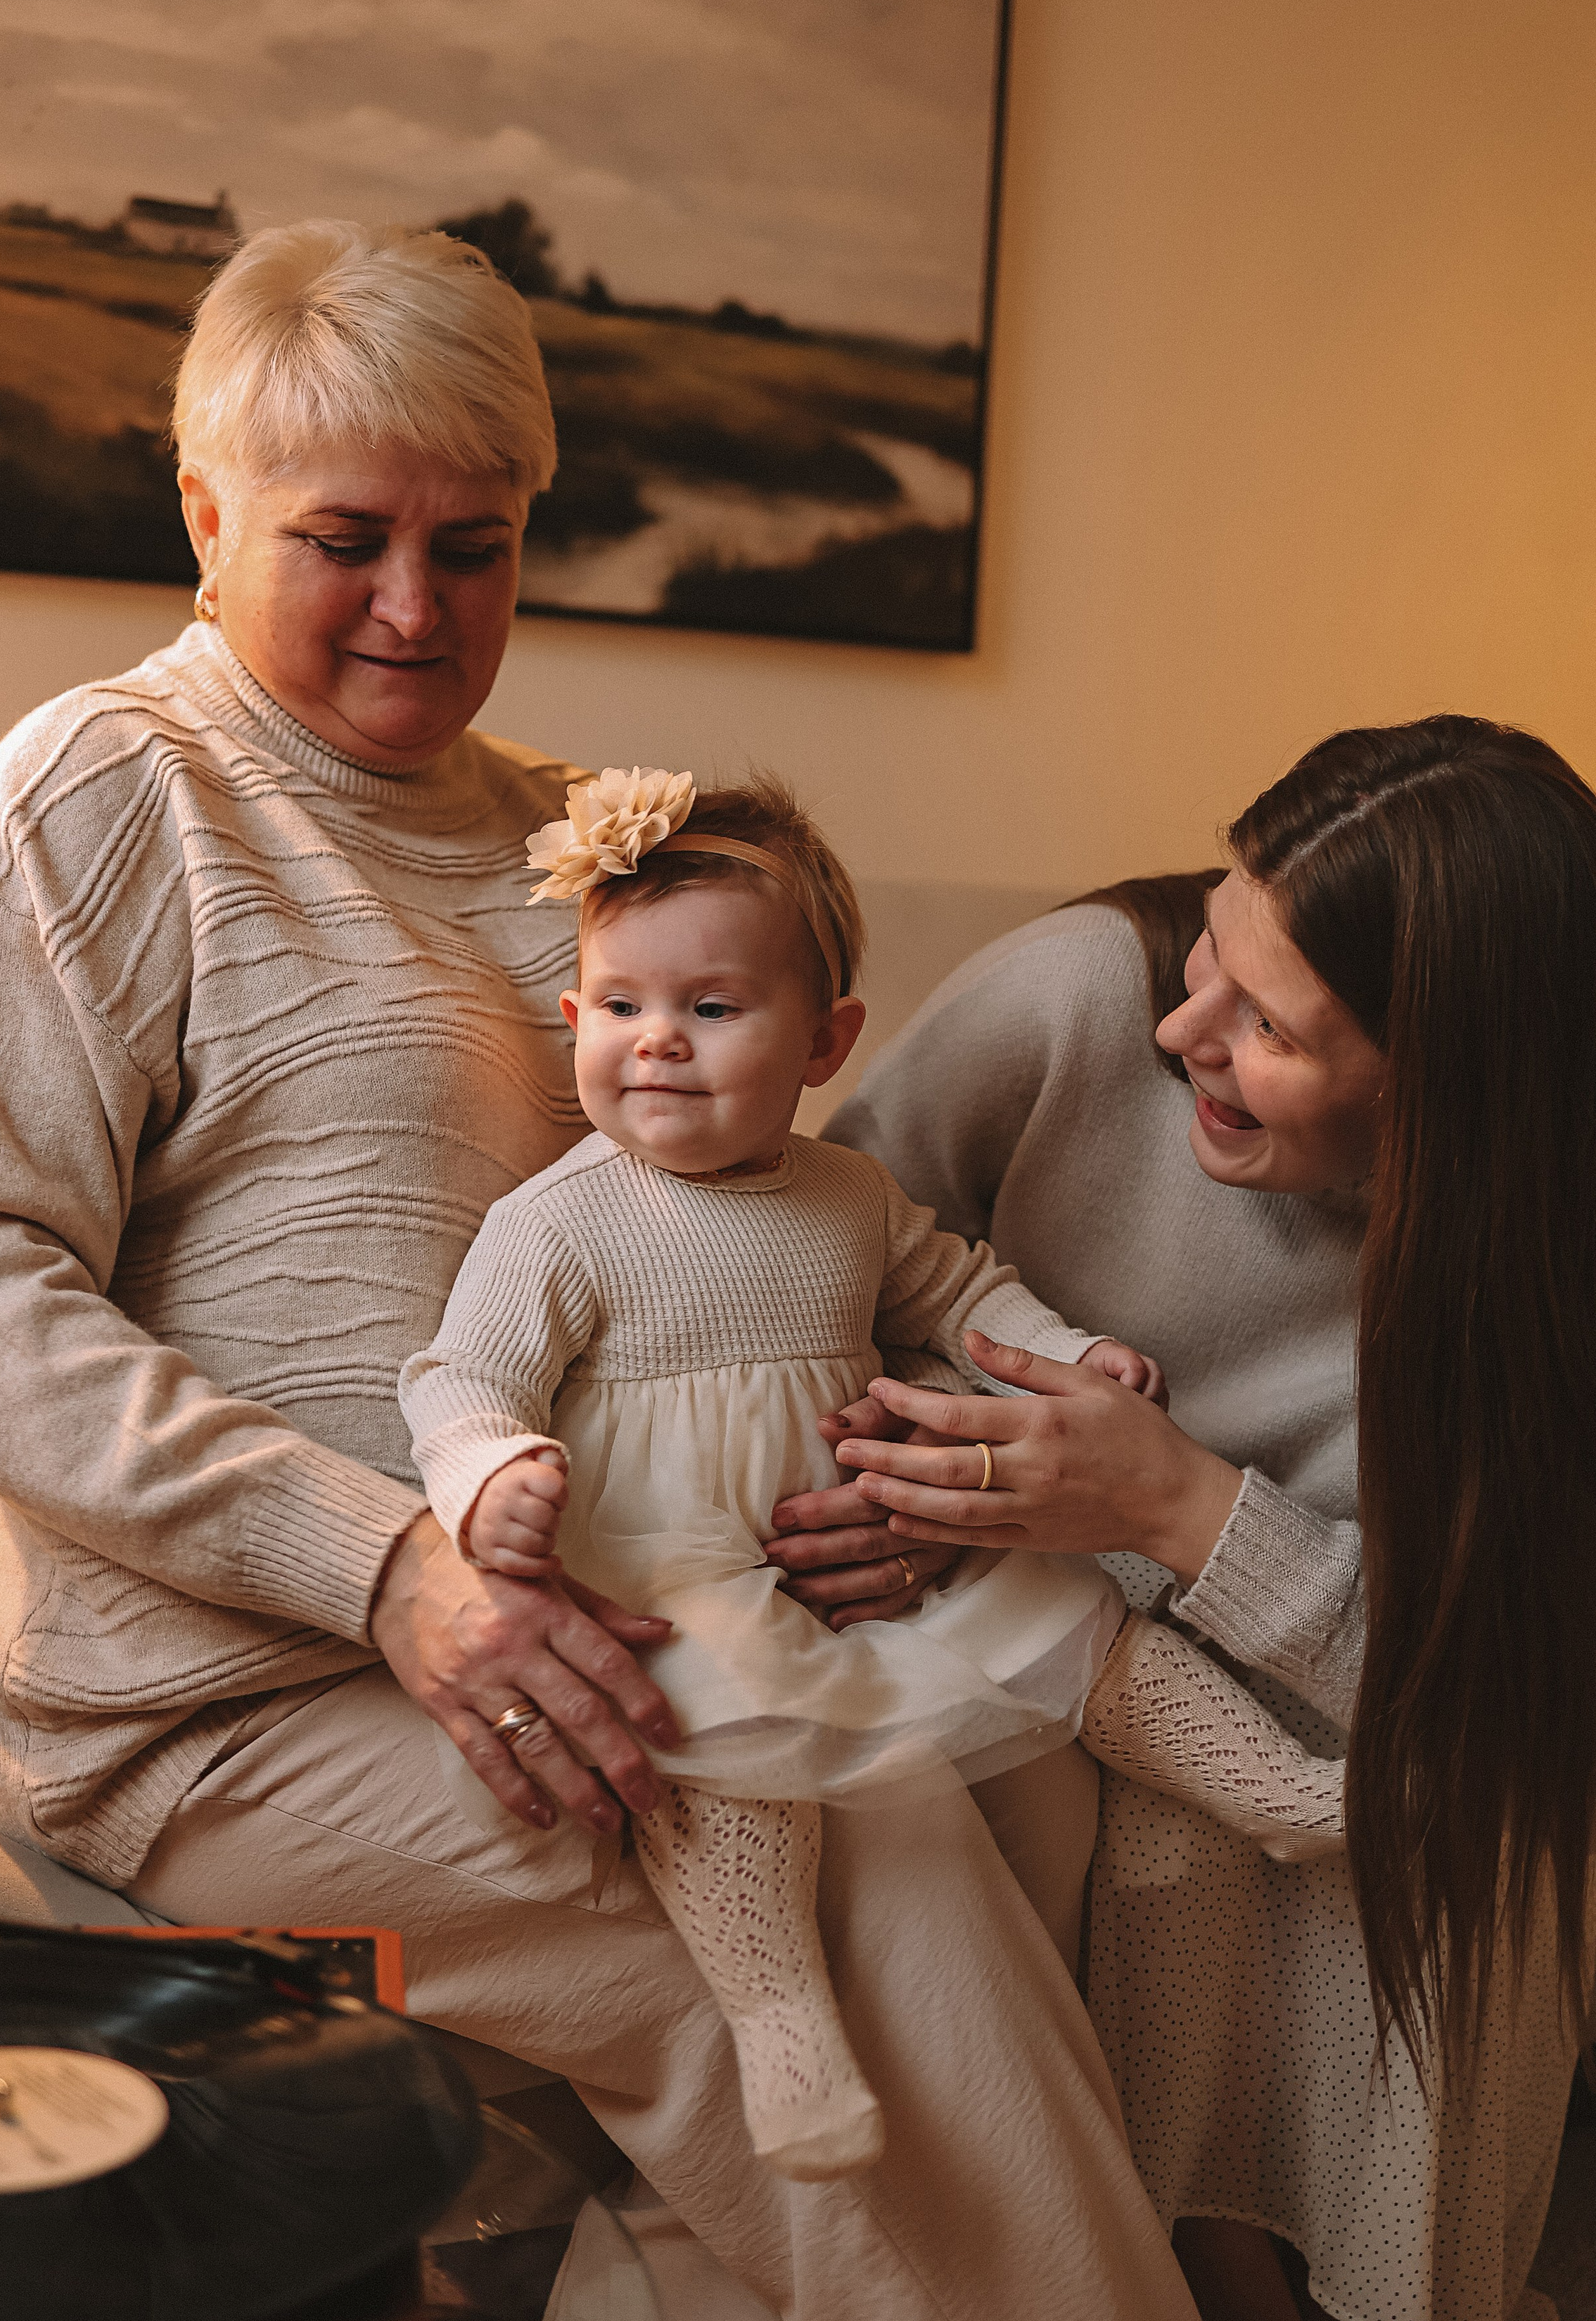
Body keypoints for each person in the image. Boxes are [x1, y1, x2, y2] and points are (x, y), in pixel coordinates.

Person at [0, 216, 1278, 2321]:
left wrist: (853, 1489)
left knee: (1039, 1771)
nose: (415, 606)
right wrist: (395, 1572)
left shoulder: (586, 845)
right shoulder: (93, 806)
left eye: (478, 545)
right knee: (859, 1842)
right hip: (213, 1691)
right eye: (344, 542)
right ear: (206, 517)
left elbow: (751, 1227)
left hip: (604, 1594)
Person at [803, 717, 1596, 2321]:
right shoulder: (1078, 1002)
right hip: (1045, 1646)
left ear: (1451, 1083)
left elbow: (1500, 1713)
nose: (1185, 1040)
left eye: (1269, 1029)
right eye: (1208, 959)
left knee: (1446, 1839)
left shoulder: (1544, 1256)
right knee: (1171, 1828)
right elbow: (797, 1265)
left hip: (1361, 1711)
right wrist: (914, 1500)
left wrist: (1181, 1506)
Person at [400, 765, 1344, 2186]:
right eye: (618, 1007)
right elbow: (458, 1377)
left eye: (710, 1010)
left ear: (825, 1040)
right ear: (570, 1018)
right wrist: (490, 1475)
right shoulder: (559, 1226)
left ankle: (1280, 1789)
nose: (655, 1045)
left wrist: (1067, 1351)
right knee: (722, 1770)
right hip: (674, 1569)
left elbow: (958, 1290)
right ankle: (783, 2031)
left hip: (865, 1553)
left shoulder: (846, 1198)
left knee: (1077, 1620)